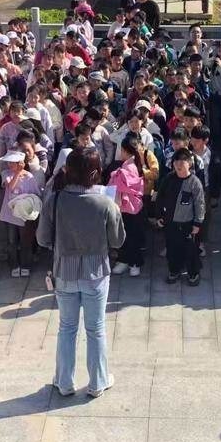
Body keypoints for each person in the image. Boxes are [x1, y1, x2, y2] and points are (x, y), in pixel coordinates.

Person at [37, 147, 125, 398]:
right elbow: (117, 240)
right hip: (96, 272)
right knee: (96, 329)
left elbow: (42, 238)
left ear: (68, 170)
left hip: (64, 271)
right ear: (95, 173)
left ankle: (64, 382)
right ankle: (97, 382)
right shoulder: (105, 202)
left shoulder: (55, 200)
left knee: (67, 327)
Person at [157, 148, 206, 286]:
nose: (178, 165)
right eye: (176, 161)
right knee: (172, 249)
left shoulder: (194, 182)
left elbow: (200, 204)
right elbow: (160, 198)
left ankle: (193, 273)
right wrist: (159, 215)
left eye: (182, 161)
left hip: (187, 224)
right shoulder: (169, 179)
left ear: (189, 163)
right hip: (170, 222)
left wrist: (197, 223)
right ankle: (174, 271)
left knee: (190, 250)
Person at [0, 150, 42, 277]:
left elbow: (36, 193)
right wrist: (17, 173)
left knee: (25, 241)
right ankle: (14, 265)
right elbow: (10, 187)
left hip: (24, 214)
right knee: (12, 241)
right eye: (9, 162)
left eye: (13, 163)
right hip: (10, 214)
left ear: (20, 163)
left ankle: (26, 265)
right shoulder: (6, 173)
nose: (10, 165)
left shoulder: (29, 177)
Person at [108, 135, 146, 276]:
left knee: (130, 236)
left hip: (129, 206)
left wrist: (116, 175)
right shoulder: (131, 164)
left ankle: (134, 263)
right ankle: (124, 260)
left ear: (124, 151)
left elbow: (125, 184)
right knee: (124, 234)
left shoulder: (129, 167)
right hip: (127, 206)